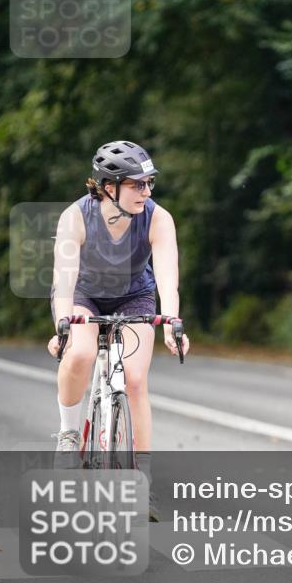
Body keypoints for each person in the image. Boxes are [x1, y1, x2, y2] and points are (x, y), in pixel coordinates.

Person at [48, 141, 191, 521]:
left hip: (135, 297)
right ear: (108, 186)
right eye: (137, 184)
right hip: (85, 296)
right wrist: (63, 323)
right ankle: (68, 437)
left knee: (135, 378)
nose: (146, 192)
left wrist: (172, 321)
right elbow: (64, 280)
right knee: (79, 354)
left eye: (149, 184)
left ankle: (139, 482)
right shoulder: (75, 217)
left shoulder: (158, 218)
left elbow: (165, 275)